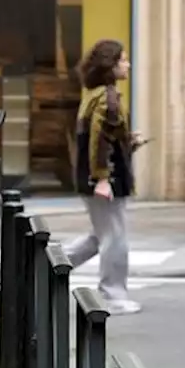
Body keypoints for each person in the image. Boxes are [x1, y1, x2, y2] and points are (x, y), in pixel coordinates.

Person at [65, 39, 148, 315]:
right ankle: (112, 294)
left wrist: (127, 141)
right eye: (123, 60)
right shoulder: (108, 98)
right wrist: (102, 178)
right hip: (105, 179)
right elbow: (98, 141)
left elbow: (102, 137)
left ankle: (49, 264)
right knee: (114, 237)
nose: (128, 64)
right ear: (111, 66)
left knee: (101, 235)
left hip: (95, 178)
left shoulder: (94, 93)